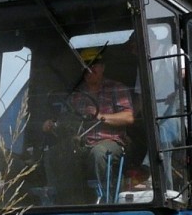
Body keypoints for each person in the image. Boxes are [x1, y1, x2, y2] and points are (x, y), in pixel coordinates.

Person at [42, 47, 134, 204]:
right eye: (85, 65)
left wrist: (100, 116)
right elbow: (64, 121)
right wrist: (52, 125)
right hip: (80, 144)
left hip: (111, 143)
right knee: (53, 154)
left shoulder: (116, 88)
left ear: (102, 67)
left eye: (94, 64)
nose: (89, 69)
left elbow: (129, 117)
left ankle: (107, 202)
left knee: (98, 153)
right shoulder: (76, 95)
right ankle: (65, 203)